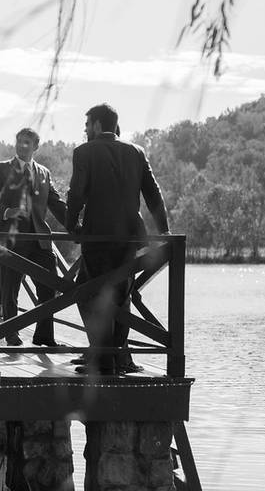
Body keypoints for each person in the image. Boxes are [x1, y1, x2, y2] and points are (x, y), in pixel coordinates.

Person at [66, 104, 170, 375]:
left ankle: (103, 363)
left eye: (88, 124)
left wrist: (71, 225)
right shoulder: (136, 151)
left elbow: (76, 193)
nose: (86, 130)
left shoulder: (84, 151)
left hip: (98, 236)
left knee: (87, 293)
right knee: (121, 296)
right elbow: (153, 193)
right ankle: (118, 360)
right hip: (130, 238)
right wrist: (165, 230)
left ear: (98, 125)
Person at [0, 128, 67, 346]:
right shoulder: (1, 169)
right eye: (19, 141)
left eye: (27, 142)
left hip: (40, 239)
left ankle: (45, 337)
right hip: (12, 238)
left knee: (49, 288)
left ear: (36, 146)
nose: (22, 145)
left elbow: (56, 204)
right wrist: (6, 211)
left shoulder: (44, 173)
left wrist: (76, 226)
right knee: (10, 289)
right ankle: (11, 335)